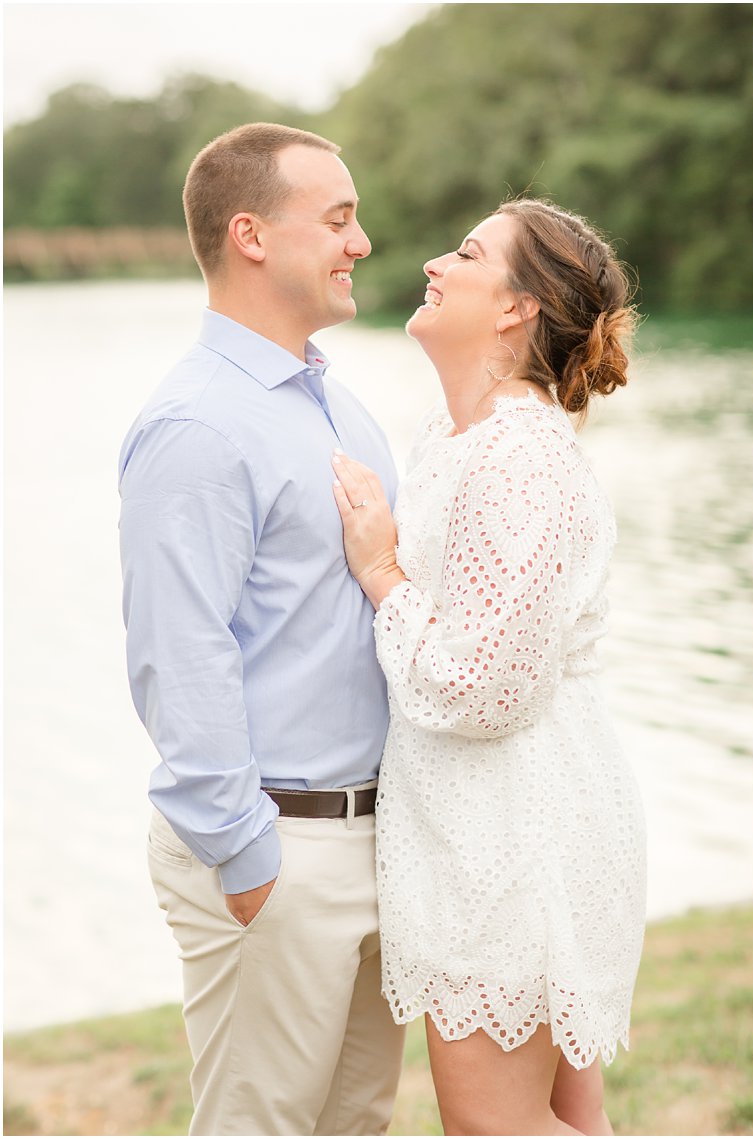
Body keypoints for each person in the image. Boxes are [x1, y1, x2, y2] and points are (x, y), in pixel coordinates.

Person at [330, 198, 646, 1136]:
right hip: (496, 825)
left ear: (516, 307)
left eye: (467, 252)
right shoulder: (462, 438)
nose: (434, 261)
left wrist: (382, 572)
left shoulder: (518, 459)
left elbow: (489, 686)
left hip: (517, 838)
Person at [118, 123, 405, 1134]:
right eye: (336, 219)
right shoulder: (199, 423)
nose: (359, 241)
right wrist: (246, 856)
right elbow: (177, 653)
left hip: (375, 840)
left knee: (355, 1121)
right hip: (276, 849)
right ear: (249, 234)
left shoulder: (336, 405)